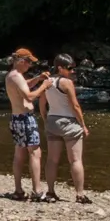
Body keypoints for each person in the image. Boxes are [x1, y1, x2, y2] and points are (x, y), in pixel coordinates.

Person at [41, 54, 91, 204]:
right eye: (69, 68)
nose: (72, 71)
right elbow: (75, 106)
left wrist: (45, 120)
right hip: (69, 122)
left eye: (73, 68)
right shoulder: (67, 83)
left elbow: (42, 104)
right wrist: (83, 125)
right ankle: (80, 194)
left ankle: (50, 191)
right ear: (60, 68)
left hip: (52, 120)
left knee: (52, 159)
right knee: (75, 160)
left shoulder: (46, 82)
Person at [3, 48, 49, 201]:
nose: (30, 65)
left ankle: (18, 190)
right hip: (25, 119)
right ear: (22, 61)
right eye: (29, 62)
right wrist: (44, 86)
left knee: (19, 154)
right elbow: (29, 96)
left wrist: (38, 78)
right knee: (35, 153)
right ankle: (37, 191)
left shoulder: (13, 76)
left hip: (16, 118)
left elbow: (24, 85)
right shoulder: (17, 76)